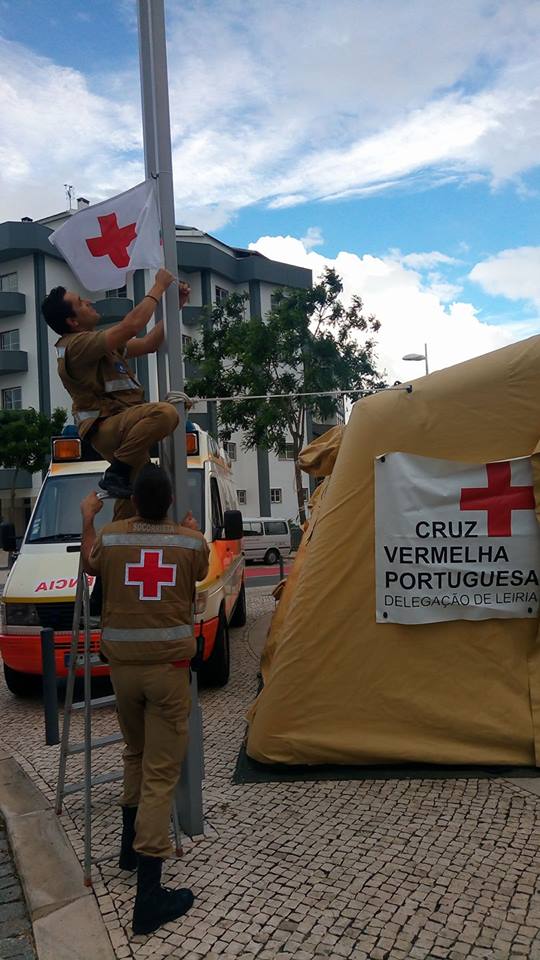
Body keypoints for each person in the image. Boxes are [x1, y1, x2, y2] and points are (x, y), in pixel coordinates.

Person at [80, 463, 209, 936]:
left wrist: (88, 517)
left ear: (133, 501)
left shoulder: (111, 538)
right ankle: (148, 898)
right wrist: (194, 531)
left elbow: (89, 561)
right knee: (159, 774)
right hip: (168, 674)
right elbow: (200, 569)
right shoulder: (189, 543)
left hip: (123, 672)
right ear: (170, 502)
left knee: (135, 754)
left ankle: (127, 852)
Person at [41, 269, 190, 517]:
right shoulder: (77, 345)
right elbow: (132, 326)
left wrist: (176, 307)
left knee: (140, 494)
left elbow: (149, 344)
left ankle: (114, 537)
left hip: (125, 423)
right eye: (81, 302)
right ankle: (117, 470)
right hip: (107, 426)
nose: (89, 302)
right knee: (165, 413)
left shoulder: (99, 345)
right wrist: (159, 287)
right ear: (73, 322)